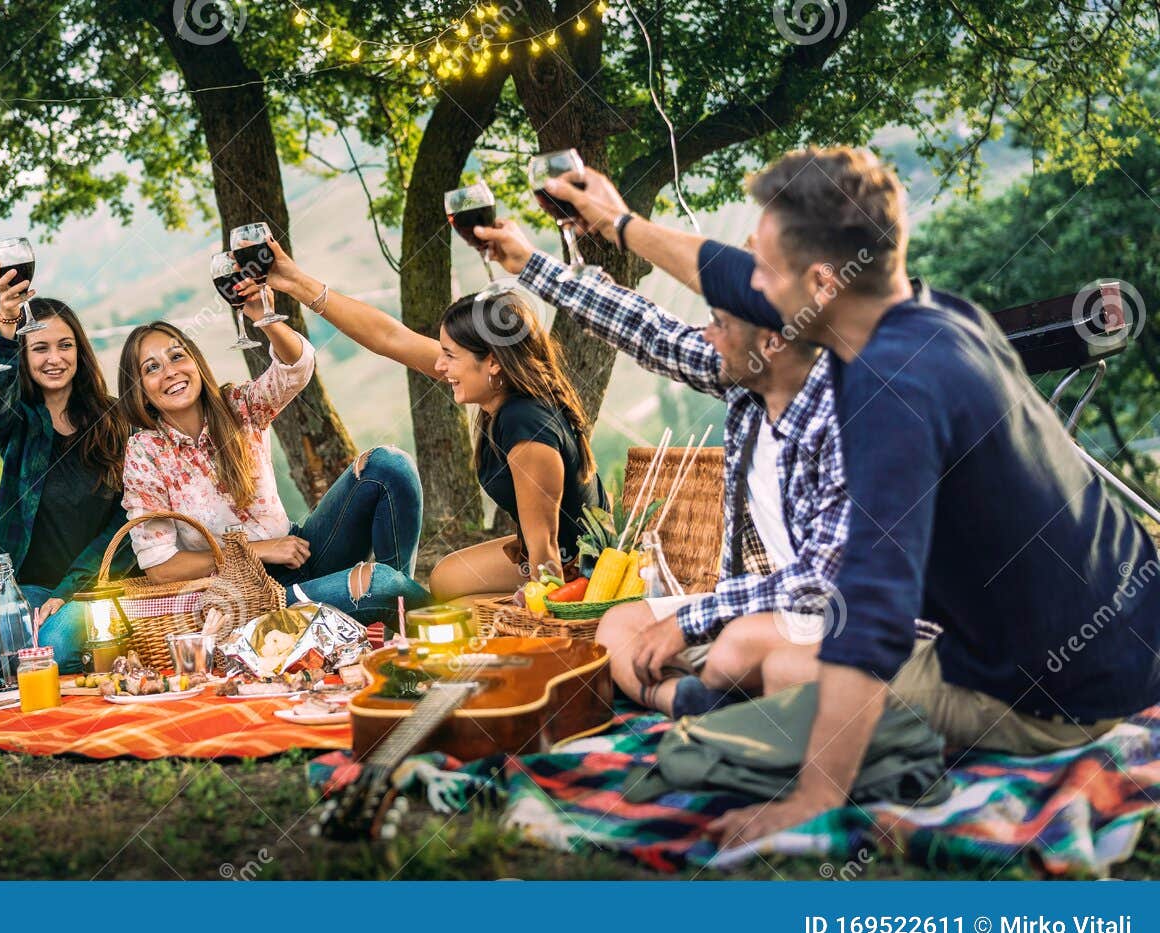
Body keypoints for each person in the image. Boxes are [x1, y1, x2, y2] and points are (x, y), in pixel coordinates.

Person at [701, 146, 1160, 847]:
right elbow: (736, 274)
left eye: (763, 268)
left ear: (822, 281)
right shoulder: (942, 317)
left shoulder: (891, 392)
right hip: (1137, 637)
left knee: (773, 683)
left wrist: (814, 799)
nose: (751, 287)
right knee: (778, 657)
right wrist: (614, 223)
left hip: (1065, 697)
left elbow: (875, 618)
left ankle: (703, 715)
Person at [473, 178, 847, 718]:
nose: (707, 336)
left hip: (839, 617)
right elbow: (651, 332)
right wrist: (530, 263)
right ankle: (692, 701)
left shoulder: (845, 403)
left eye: (721, 323)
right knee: (620, 625)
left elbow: (822, 583)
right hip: (760, 607)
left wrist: (691, 623)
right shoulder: (746, 375)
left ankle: (716, 701)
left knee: (746, 650)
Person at [260, 241, 605, 600]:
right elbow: (390, 337)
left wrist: (542, 612)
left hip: (579, 569)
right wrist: (297, 282)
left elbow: (545, 545)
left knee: (461, 604)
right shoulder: (502, 391)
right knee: (445, 580)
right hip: (551, 548)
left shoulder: (525, 427)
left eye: (451, 356)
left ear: (492, 362)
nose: (440, 367)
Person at [116, 283, 427, 625]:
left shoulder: (239, 405)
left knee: (388, 465)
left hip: (301, 553)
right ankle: (425, 614)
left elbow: (297, 368)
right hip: (247, 597)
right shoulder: (146, 453)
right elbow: (160, 566)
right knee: (379, 584)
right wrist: (255, 552)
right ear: (140, 390)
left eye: (177, 356)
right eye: (151, 368)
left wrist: (266, 319)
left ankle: (401, 624)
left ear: (196, 363)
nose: (170, 371)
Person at [0, 268, 136, 677]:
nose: (54, 358)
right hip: (28, 588)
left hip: (96, 585)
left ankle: (88, 656)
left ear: (80, 351)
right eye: (40, 348)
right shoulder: (18, 424)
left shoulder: (116, 419)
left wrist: (70, 590)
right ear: (23, 356)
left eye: (65, 345)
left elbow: (129, 518)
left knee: (56, 647)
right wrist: (4, 327)